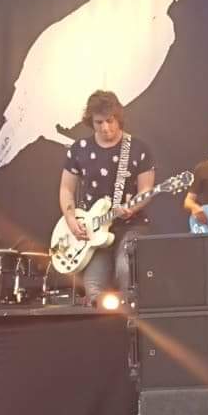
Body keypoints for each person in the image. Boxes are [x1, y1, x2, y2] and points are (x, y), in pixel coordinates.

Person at [59, 90, 154, 300]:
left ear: (118, 118)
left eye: (110, 121)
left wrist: (133, 208)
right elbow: (66, 189)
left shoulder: (138, 149)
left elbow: (146, 190)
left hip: (131, 225)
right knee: (93, 286)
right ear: (90, 122)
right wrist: (71, 219)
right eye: (99, 122)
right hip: (94, 229)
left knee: (125, 270)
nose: (105, 127)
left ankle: (130, 317)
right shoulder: (79, 149)